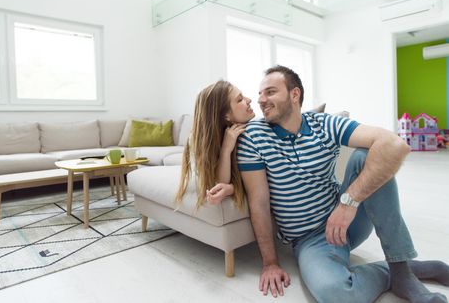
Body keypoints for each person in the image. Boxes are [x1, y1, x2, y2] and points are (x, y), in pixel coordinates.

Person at [236, 65, 449, 302]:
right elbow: (259, 203)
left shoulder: (323, 123)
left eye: (270, 92)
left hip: (347, 218)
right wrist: (270, 263)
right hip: (309, 240)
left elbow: (395, 145)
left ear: (294, 94)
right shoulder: (253, 137)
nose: (260, 100)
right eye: (260, 93)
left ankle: (401, 270)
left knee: (369, 156)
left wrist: (348, 202)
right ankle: (405, 272)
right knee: (337, 294)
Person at [175, 80, 255, 209]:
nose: (249, 100)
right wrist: (226, 150)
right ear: (226, 116)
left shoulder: (254, 131)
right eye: (240, 100)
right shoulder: (198, 141)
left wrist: (231, 189)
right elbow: (219, 183)